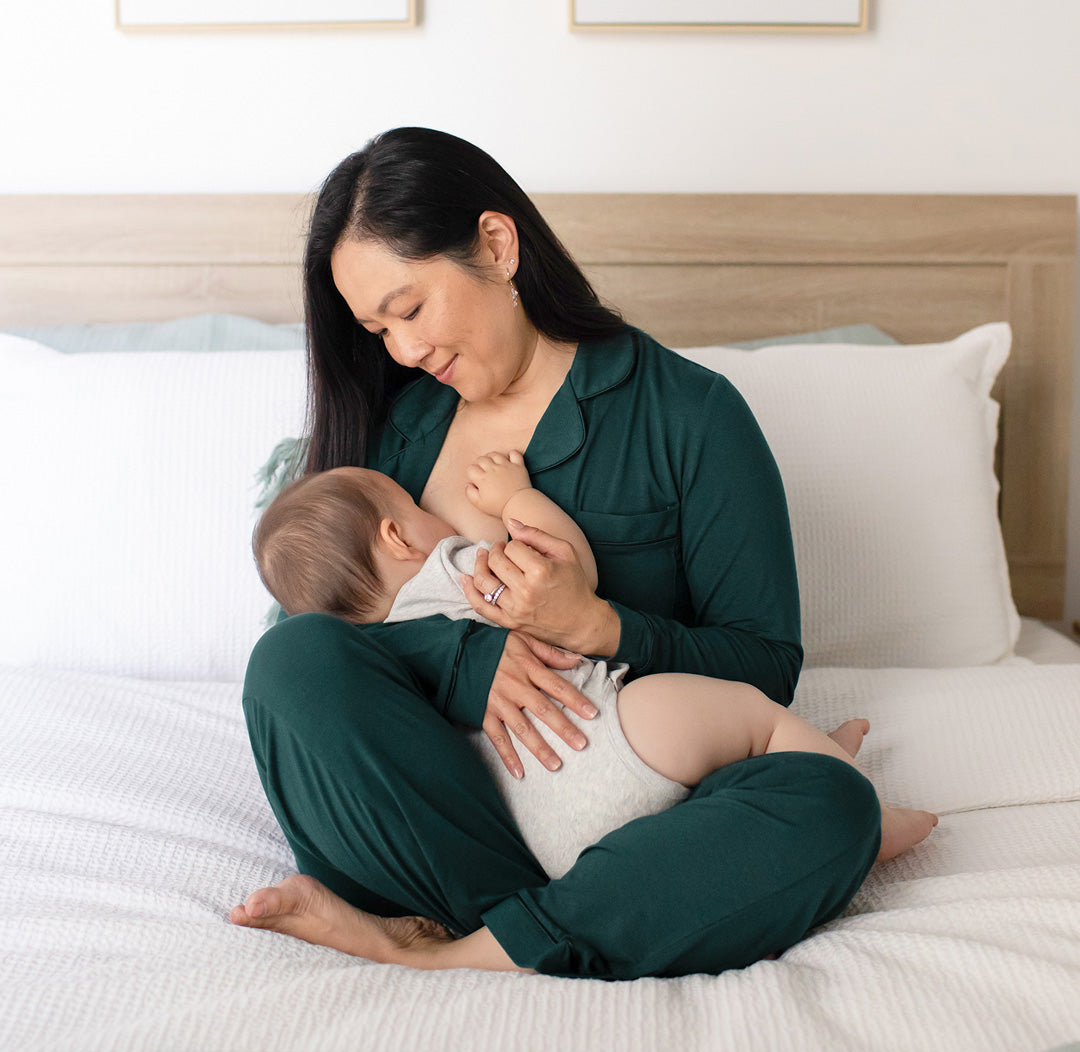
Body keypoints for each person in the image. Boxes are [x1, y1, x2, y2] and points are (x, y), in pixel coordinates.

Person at [232, 126, 887, 980]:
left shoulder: (689, 416)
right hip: (439, 834)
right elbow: (340, 652)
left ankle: (456, 949)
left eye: (410, 310)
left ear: (496, 246)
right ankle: (576, 924)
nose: (403, 351)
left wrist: (598, 625)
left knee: (834, 802)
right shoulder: (392, 436)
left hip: (620, 816)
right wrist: (467, 662)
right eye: (376, 328)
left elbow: (763, 668)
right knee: (288, 657)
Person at [246, 454, 936, 888]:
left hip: (540, 836)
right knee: (751, 715)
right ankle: (860, 810)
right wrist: (516, 499)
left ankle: (807, 760)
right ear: (397, 536)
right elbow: (569, 568)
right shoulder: (455, 572)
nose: (435, 516)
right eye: (417, 508)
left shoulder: (375, 661)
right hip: (600, 742)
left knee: (722, 761)